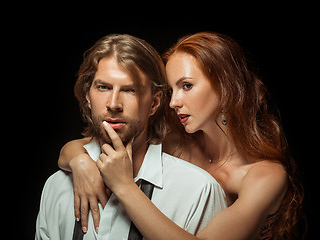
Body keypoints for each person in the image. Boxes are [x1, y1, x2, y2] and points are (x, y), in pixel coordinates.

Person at [59, 32, 305, 239]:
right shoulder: (175, 141)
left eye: (186, 86)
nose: (174, 102)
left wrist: (124, 186)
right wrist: (80, 163)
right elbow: (84, 145)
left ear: (225, 85)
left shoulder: (266, 175)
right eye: (170, 90)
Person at [35, 33, 227, 240]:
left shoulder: (197, 191)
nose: (114, 104)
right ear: (87, 97)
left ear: (154, 103)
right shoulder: (56, 186)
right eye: (103, 87)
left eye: (130, 90)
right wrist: (78, 159)